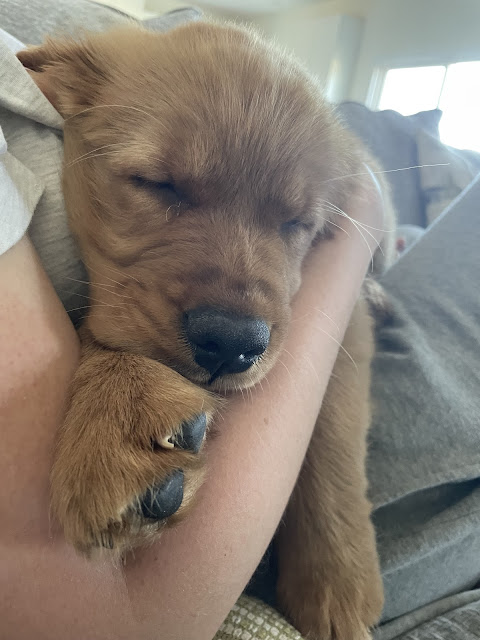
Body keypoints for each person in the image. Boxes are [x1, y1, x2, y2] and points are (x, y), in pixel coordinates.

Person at [2, 3, 480, 640]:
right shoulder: (66, 80)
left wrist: (330, 523)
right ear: (58, 89)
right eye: (162, 186)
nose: (236, 296)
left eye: (292, 224)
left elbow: (351, 246)